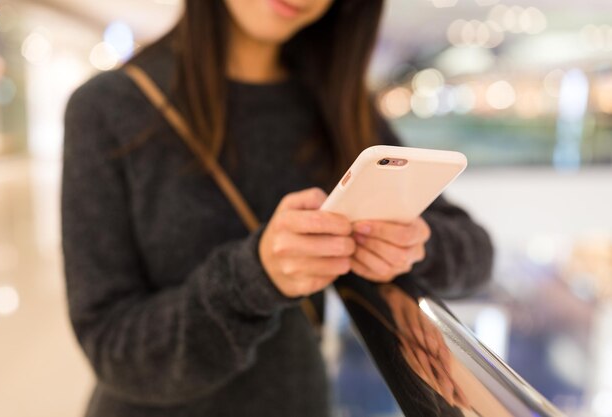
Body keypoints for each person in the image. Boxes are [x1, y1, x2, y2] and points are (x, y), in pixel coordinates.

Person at [61, 0, 494, 416]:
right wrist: (255, 277)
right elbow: (111, 344)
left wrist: (412, 246)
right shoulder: (109, 109)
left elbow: (476, 251)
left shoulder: (336, 102)